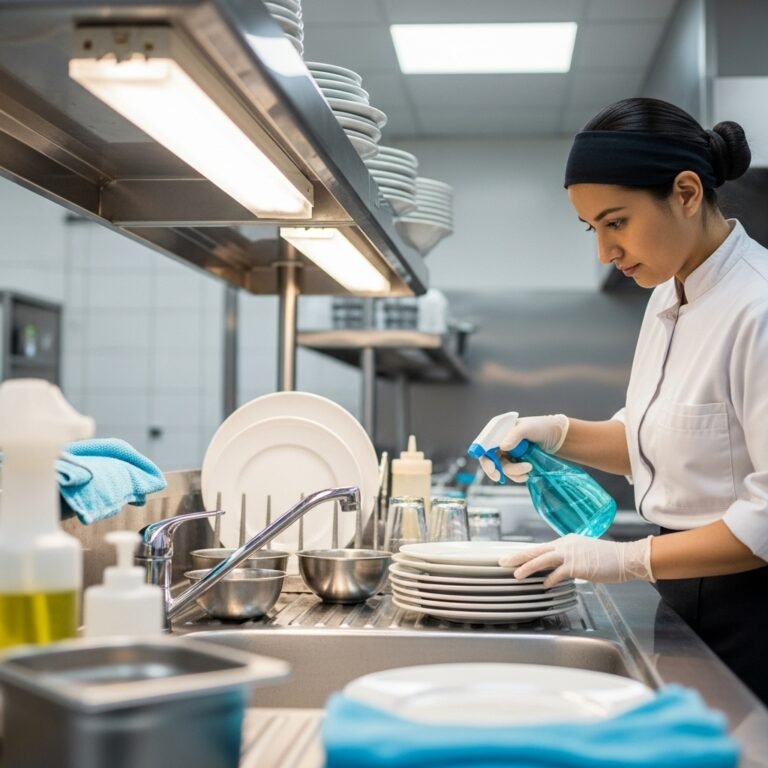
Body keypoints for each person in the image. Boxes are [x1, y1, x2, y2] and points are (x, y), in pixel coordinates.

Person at [476, 97, 768, 704]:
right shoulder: (668, 298)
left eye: (616, 222)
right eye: (593, 229)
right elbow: (658, 442)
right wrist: (553, 430)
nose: (605, 251)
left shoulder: (758, 309)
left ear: (686, 193)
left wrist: (625, 560)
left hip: (754, 607)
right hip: (684, 592)